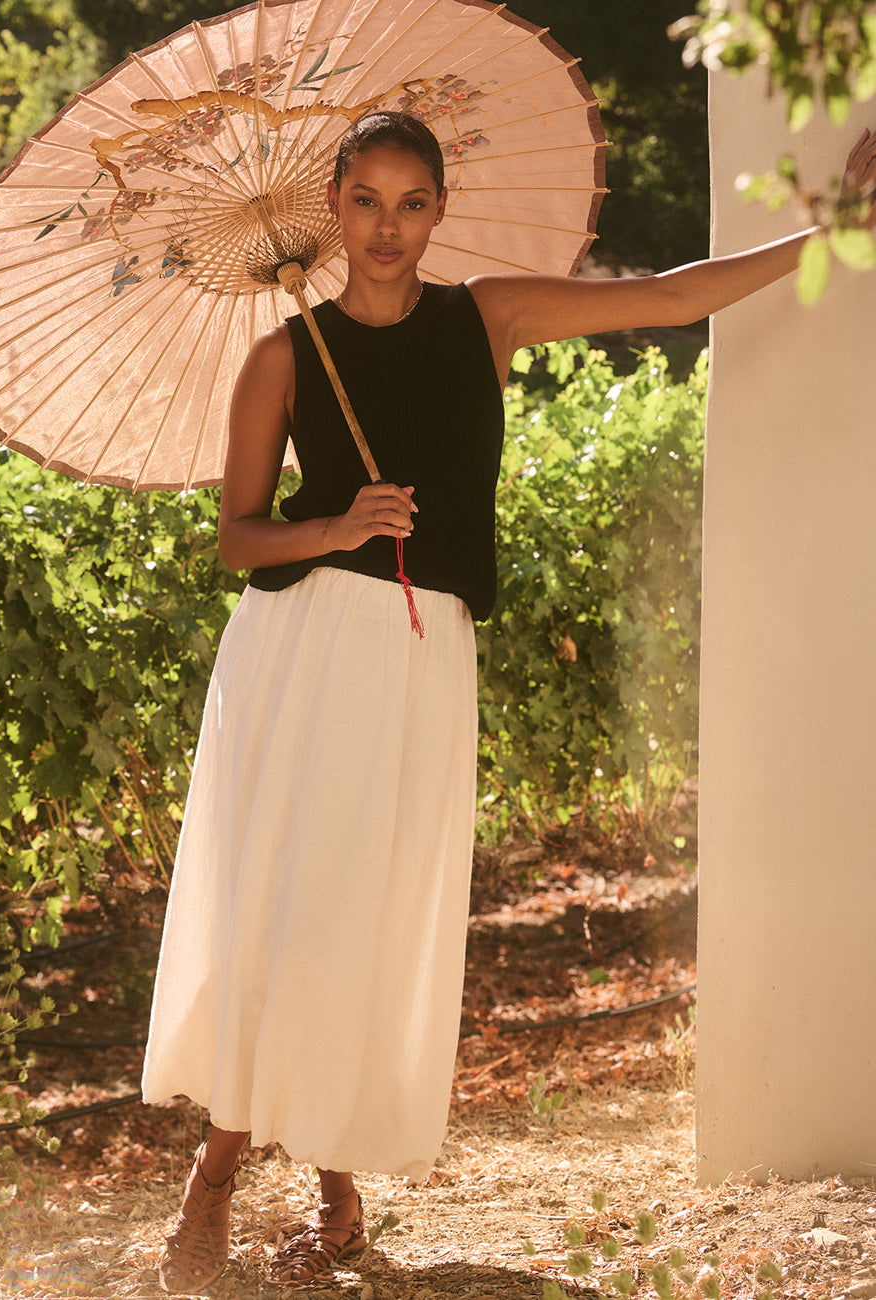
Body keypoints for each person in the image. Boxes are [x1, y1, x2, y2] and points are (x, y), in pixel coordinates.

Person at [142, 111, 876, 1293]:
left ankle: (332, 1184)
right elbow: (237, 538)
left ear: (440, 208)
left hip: (427, 655)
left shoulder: (489, 316)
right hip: (307, 646)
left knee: (372, 913)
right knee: (297, 908)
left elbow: (677, 297)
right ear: (335, 204)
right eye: (368, 200)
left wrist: (834, 228)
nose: (388, 227)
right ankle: (217, 1176)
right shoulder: (282, 356)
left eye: (412, 203)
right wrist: (338, 523)